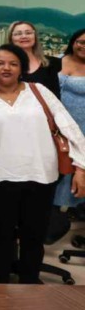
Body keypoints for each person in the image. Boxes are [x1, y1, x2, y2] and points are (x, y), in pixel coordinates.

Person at [0, 44, 85, 284]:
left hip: (41, 175)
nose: (6, 68)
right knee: (1, 236)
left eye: (13, 64)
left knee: (34, 236)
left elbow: (69, 128)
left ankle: (30, 284)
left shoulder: (39, 91)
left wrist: (81, 168)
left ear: (21, 68)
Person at [56, 29, 85, 211]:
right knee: (60, 165)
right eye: (81, 42)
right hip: (57, 124)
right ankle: (57, 211)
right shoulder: (56, 60)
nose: (83, 46)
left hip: (82, 124)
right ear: (73, 42)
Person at [9, 21, 60, 96]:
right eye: (18, 34)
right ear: (11, 38)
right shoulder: (4, 65)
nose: (24, 36)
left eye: (28, 33)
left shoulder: (53, 63)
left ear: (35, 37)